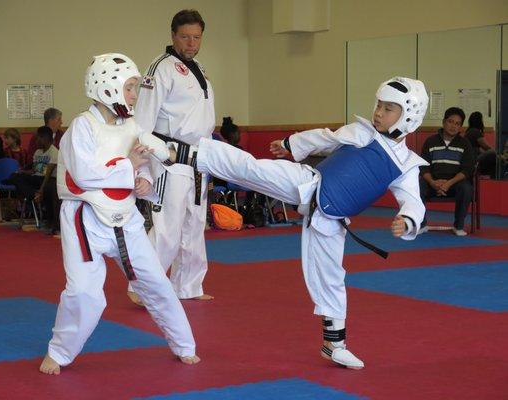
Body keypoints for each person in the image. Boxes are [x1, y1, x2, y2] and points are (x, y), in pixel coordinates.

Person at [143, 76, 429, 370]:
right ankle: (186, 152)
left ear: (409, 116)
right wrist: (290, 143)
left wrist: (407, 220)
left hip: (331, 219)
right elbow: (325, 138)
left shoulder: (407, 165)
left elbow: (413, 200)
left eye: (389, 108)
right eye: (379, 105)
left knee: (332, 277)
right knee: (251, 169)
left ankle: (335, 344)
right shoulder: (362, 132)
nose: (379, 112)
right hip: (307, 182)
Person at [39, 53, 199, 375]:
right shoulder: (82, 127)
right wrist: (131, 165)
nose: (133, 95)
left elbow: (151, 157)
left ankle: (184, 345)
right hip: (85, 220)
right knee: (84, 293)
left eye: (133, 88)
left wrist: (144, 179)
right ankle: (58, 352)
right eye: (128, 88)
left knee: (156, 283)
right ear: (106, 87)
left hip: (125, 217)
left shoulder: (132, 125)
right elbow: (83, 175)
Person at [131, 9, 215, 301]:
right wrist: (141, 167)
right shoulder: (160, 68)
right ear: (173, 36)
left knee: (194, 224)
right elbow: (141, 122)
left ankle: (188, 286)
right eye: (185, 37)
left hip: (199, 156)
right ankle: (143, 287)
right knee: (168, 226)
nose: (191, 43)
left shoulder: (199, 68)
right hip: (169, 154)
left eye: (196, 37)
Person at [419, 107, 475, 236]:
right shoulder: (430, 141)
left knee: (466, 188)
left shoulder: (465, 143)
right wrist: (433, 182)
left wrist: (448, 183)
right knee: (417, 185)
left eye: (457, 124)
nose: (453, 126)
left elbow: (467, 169)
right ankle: (422, 224)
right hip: (433, 183)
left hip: (455, 184)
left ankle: (458, 226)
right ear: (444, 122)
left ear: (461, 127)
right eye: (450, 121)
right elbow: (423, 167)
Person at [8, 126, 58, 202]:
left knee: (19, 185)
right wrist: (22, 172)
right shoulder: (38, 152)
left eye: (38, 138)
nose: (36, 141)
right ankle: (33, 195)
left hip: (48, 180)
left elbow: (48, 173)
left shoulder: (54, 152)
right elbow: (34, 171)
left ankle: (32, 199)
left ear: (45, 138)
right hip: (36, 178)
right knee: (14, 176)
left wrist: (41, 190)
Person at [465, 111, 496, 178]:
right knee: (494, 153)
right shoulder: (475, 132)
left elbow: (479, 149)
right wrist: (498, 153)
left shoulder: (469, 131)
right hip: (474, 159)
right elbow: (486, 147)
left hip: (471, 159)